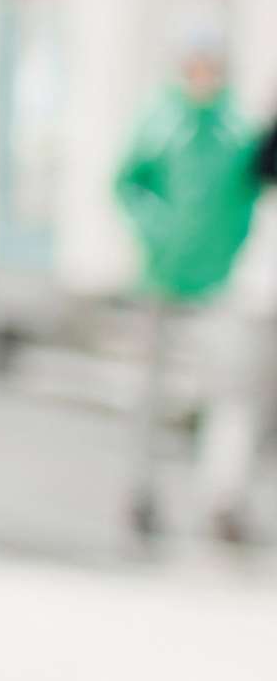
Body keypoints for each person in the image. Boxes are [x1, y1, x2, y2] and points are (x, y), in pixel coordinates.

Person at [113, 35, 266, 548]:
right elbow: (127, 185)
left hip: (220, 283)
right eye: (196, 68)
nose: (204, 78)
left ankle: (225, 500)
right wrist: (156, 233)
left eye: (213, 69)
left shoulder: (236, 132)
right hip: (161, 281)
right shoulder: (162, 127)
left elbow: (255, 180)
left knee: (231, 394)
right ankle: (143, 493)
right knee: (153, 395)